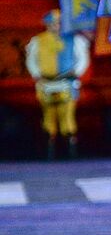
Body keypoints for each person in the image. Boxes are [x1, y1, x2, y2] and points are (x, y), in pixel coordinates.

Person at [25, 10, 89, 159]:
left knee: (67, 116)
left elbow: (82, 58)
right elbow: (31, 60)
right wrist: (38, 75)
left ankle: (71, 150)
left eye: (59, 23)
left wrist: (76, 73)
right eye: (53, 23)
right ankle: (50, 150)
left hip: (67, 83)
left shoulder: (73, 40)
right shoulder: (38, 41)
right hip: (46, 84)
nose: (56, 26)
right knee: (48, 116)